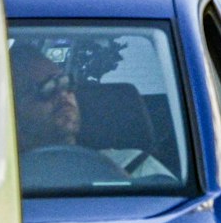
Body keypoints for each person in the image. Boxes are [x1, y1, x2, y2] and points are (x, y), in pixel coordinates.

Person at [10, 44, 171, 179]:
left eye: (66, 82)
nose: (63, 94)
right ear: (12, 110)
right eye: (47, 87)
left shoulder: (135, 165)